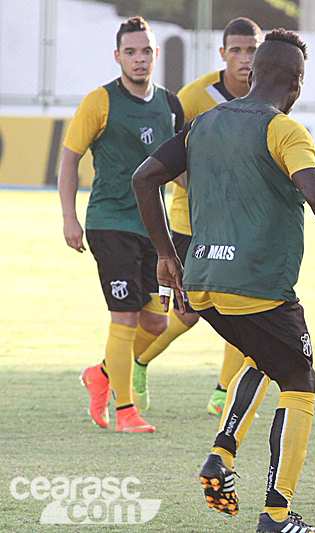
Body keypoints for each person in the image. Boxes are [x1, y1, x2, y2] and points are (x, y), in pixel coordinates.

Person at [132, 29, 315, 533]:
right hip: (258, 287)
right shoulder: (285, 130)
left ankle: (221, 455)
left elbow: (143, 177)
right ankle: (277, 516)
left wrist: (167, 255)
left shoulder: (205, 122)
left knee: (262, 357)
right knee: (300, 380)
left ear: (254, 72)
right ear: (297, 83)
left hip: (204, 282)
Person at [130, 17, 263, 417]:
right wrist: (207, 192)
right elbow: (166, 157)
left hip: (242, 226)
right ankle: (135, 362)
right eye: (236, 50)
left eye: (252, 50)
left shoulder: (268, 96)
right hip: (192, 222)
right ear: (222, 54)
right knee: (187, 314)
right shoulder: (193, 97)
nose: (245, 58)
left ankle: (223, 392)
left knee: (244, 304)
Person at [58, 16, 184, 433]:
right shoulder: (100, 101)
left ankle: (101, 374)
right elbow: (70, 159)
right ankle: (126, 412)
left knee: (156, 323)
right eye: (130, 52)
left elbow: (179, 169)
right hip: (110, 223)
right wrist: (70, 217)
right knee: (125, 317)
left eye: (145, 51)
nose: (139, 59)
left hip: (153, 228)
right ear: (118, 57)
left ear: (156, 54)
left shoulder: (170, 105)